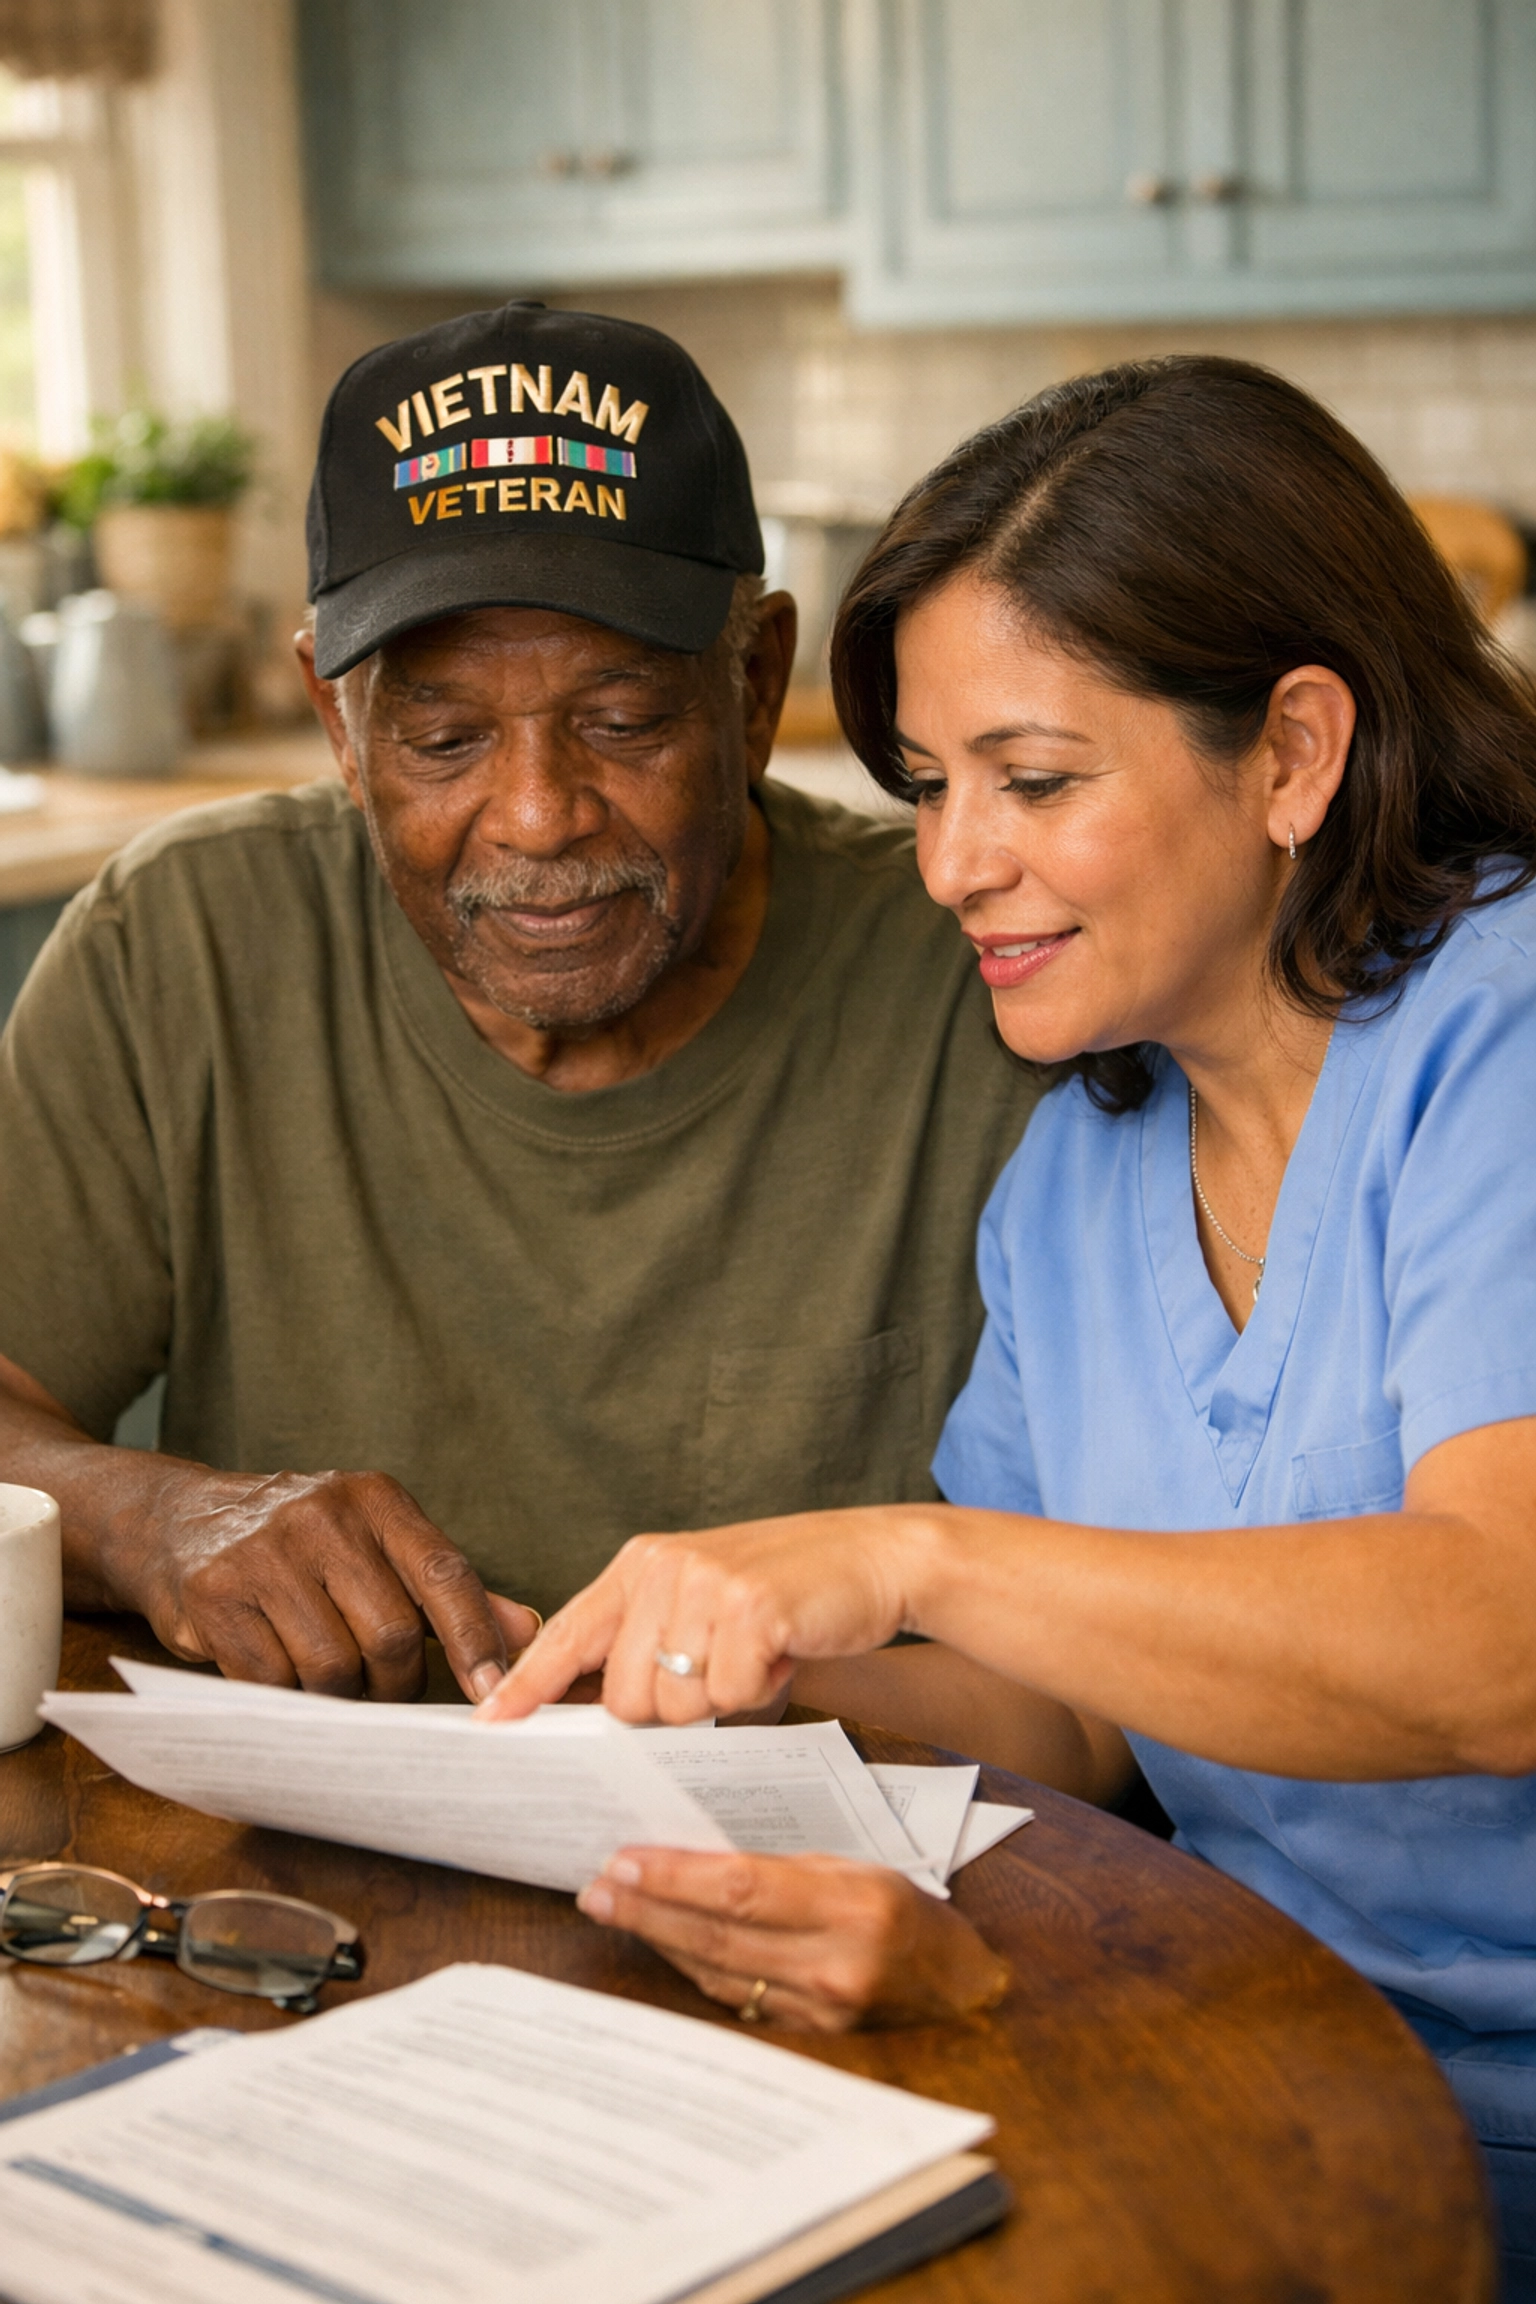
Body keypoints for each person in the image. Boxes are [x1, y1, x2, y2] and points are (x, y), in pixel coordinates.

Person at [488, 358, 1536, 2291]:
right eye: (932, 785)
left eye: (1035, 782)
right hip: (1245, 2047)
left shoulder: (1507, 1025)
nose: (955, 863)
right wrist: (744, 1687)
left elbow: (1501, 1642)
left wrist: (902, 1554)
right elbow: (1070, 1721)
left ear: (1296, 753)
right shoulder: (1083, 1164)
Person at [0, 301, 1043, 1744]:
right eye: (443, 741)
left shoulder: (978, 980)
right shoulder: (181, 943)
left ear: (753, 686)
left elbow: (1107, 1637)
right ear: (335, 722)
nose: (541, 817)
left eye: (622, 723)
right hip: (304, 1881)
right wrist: (152, 1515)